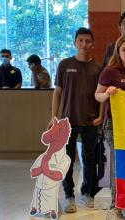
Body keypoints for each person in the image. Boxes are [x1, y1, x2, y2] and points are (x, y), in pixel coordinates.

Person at [49, 27, 104, 214]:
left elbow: (103, 95)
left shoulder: (99, 68)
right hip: (67, 121)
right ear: (74, 43)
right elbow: (57, 92)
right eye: (80, 40)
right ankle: (69, 196)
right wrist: (54, 117)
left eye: (88, 41)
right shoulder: (64, 65)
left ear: (92, 44)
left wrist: (101, 117)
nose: (84, 44)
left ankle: (86, 193)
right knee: (67, 161)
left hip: (90, 122)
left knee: (89, 159)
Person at [95, 35, 125, 220]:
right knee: (120, 162)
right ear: (118, 52)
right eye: (124, 50)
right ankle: (117, 204)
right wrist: (107, 93)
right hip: (113, 124)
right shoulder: (110, 71)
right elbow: (97, 95)